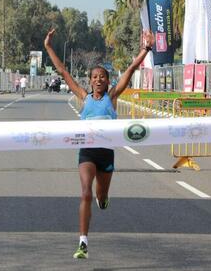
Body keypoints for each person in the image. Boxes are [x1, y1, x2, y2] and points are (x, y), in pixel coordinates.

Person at [44, 28, 154, 259]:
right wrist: (48, 47)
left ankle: (102, 198)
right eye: (95, 77)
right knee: (85, 193)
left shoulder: (112, 97)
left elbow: (132, 69)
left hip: (106, 156)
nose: (98, 80)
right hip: (87, 154)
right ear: (90, 81)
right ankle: (83, 242)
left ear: (107, 81)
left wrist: (146, 49)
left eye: (102, 77)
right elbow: (63, 71)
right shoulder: (83, 98)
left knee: (100, 196)